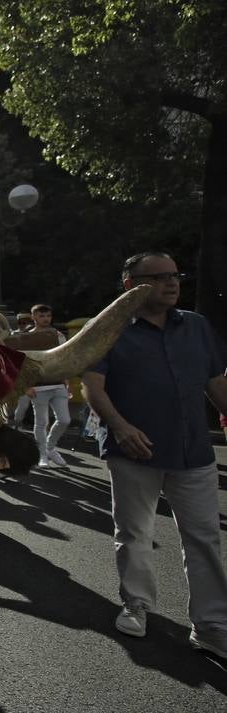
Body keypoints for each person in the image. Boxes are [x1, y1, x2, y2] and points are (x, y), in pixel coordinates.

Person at [82, 252, 227, 658]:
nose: (172, 282)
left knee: (203, 538)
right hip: (134, 451)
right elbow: (94, 387)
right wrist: (120, 426)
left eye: (175, 275)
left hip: (194, 451)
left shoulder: (196, 326)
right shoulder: (108, 328)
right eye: (159, 277)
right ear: (131, 284)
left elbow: (215, 383)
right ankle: (137, 605)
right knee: (134, 533)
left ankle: (212, 624)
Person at [26, 304, 71, 466]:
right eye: (41, 316)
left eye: (48, 316)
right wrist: (25, 386)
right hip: (38, 386)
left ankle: (50, 448)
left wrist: (67, 379)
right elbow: (21, 363)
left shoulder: (58, 335)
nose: (45, 319)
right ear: (34, 317)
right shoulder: (26, 337)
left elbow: (64, 358)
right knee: (41, 422)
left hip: (58, 383)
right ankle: (42, 454)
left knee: (65, 420)